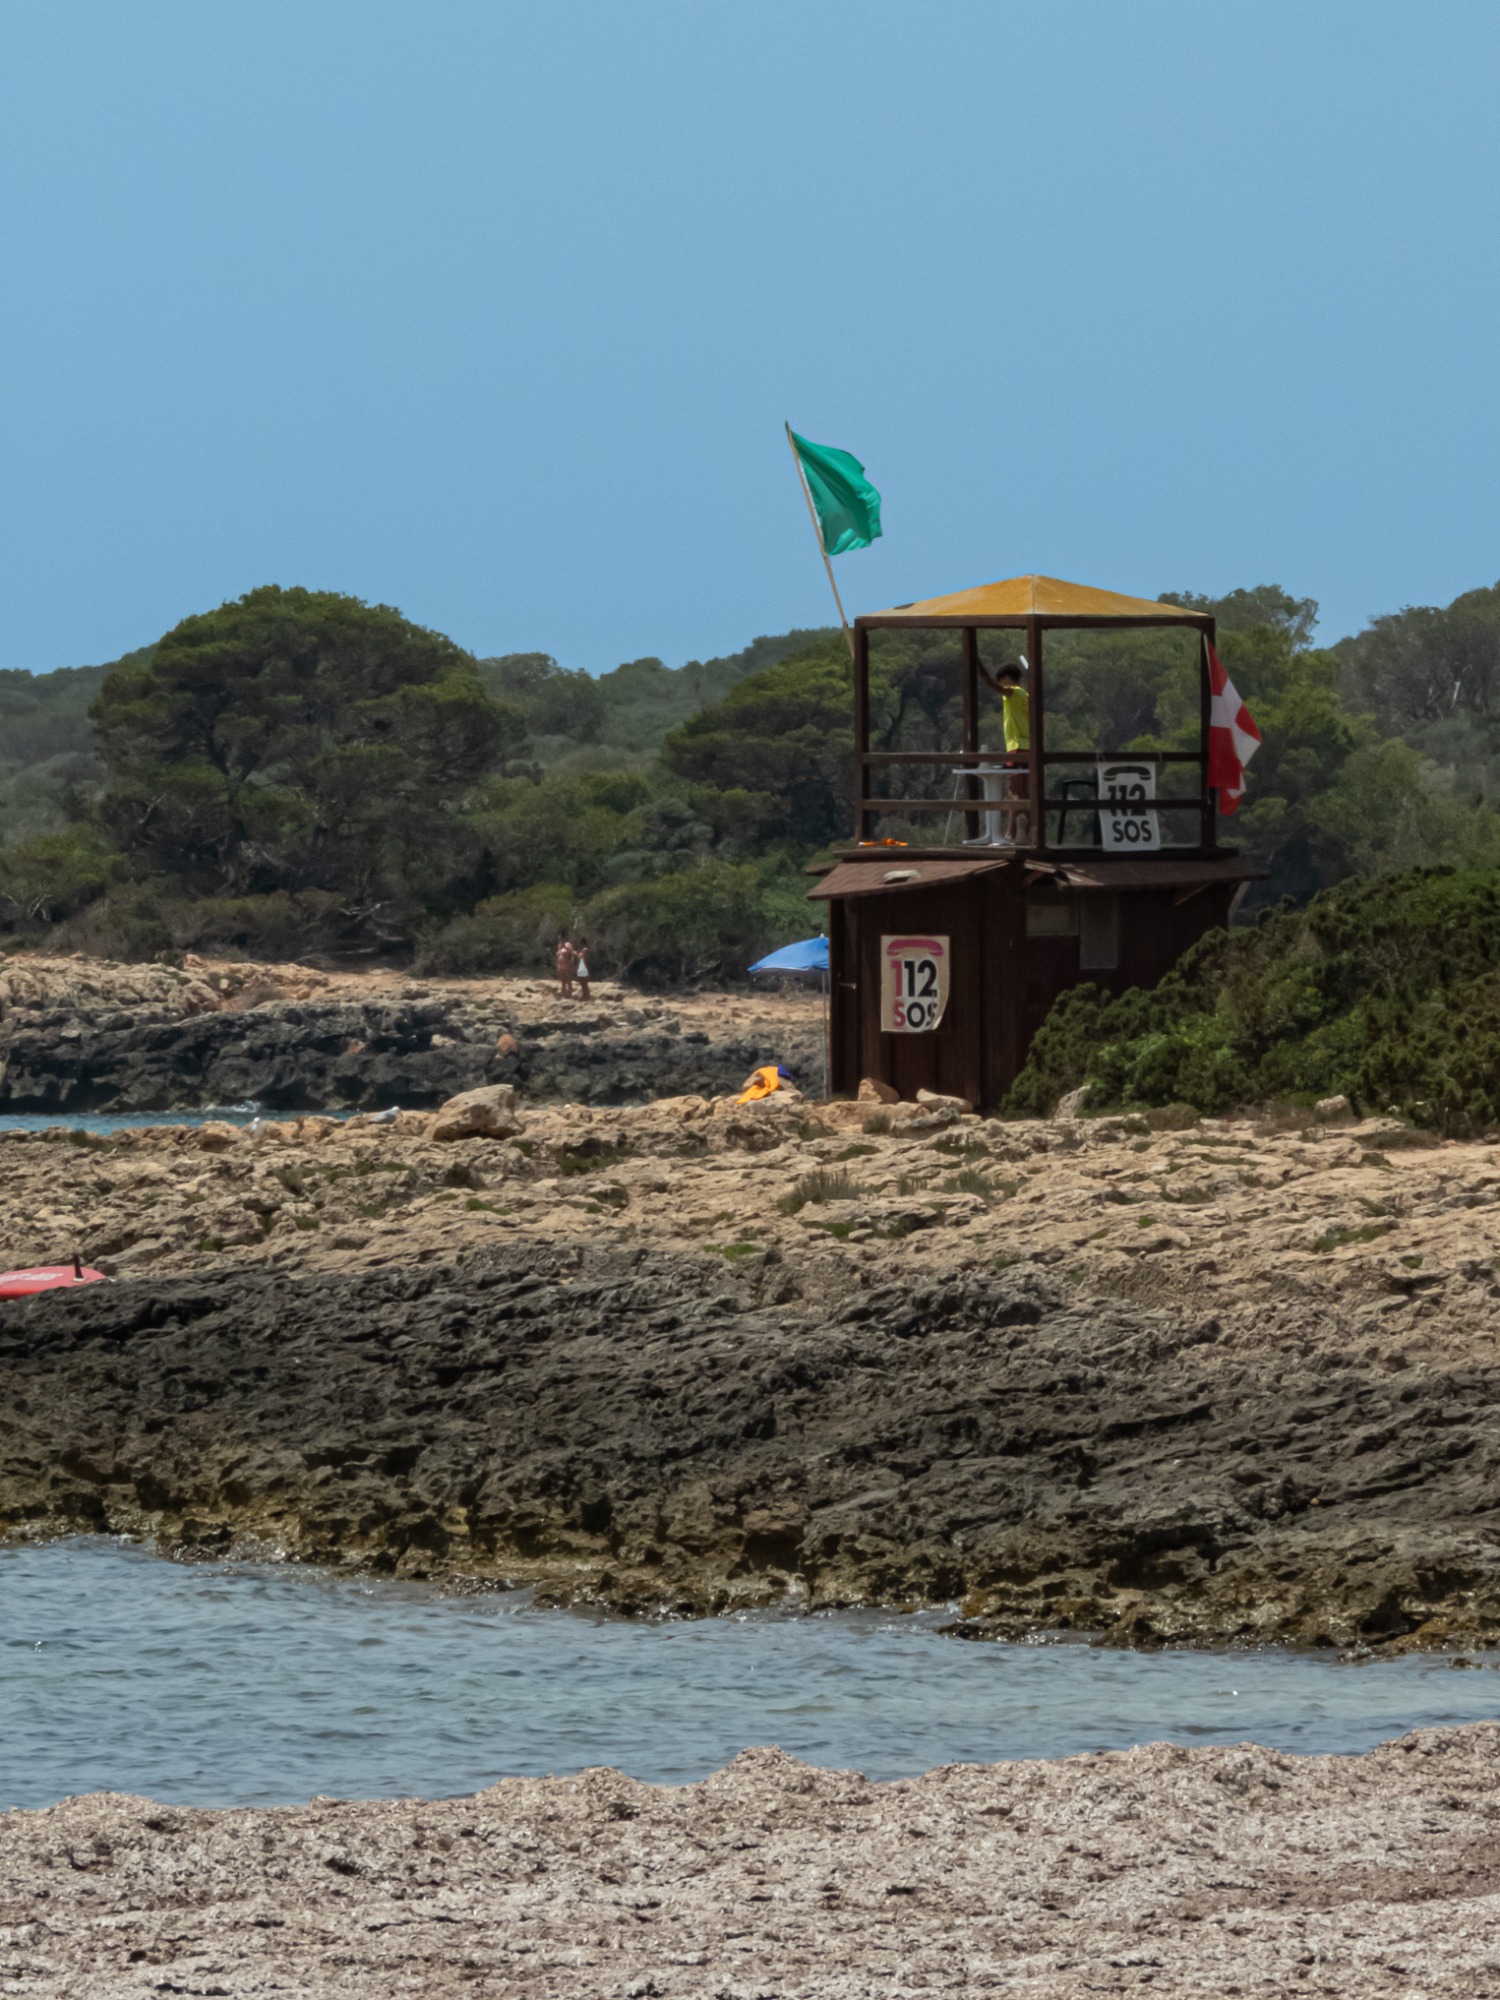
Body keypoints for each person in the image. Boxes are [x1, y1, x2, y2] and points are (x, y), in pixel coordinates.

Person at [979, 659, 1031, 842]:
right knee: (1026, 793)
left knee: (1014, 791)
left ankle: (1010, 834)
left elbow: (989, 683)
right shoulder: (1026, 694)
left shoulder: (1014, 692)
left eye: (1002, 681)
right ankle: (1027, 832)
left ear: (1007, 678)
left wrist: (978, 664)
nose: (1002, 685)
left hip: (1016, 746)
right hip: (1029, 746)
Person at [554, 932, 577, 999]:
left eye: (561, 938)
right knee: (562, 980)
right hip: (561, 964)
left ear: (564, 938)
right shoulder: (559, 946)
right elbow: (558, 955)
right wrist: (558, 965)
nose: (560, 940)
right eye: (559, 939)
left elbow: (572, 953)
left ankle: (569, 994)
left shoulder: (568, 944)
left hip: (567, 964)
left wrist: (565, 947)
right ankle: (563, 994)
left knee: (568, 980)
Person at [574, 937, 592, 1001]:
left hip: (583, 966)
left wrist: (576, 954)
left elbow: (583, 958)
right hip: (580, 966)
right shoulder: (582, 950)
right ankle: (584, 995)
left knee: (584, 982)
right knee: (582, 982)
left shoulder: (585, 949)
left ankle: (587, 995)